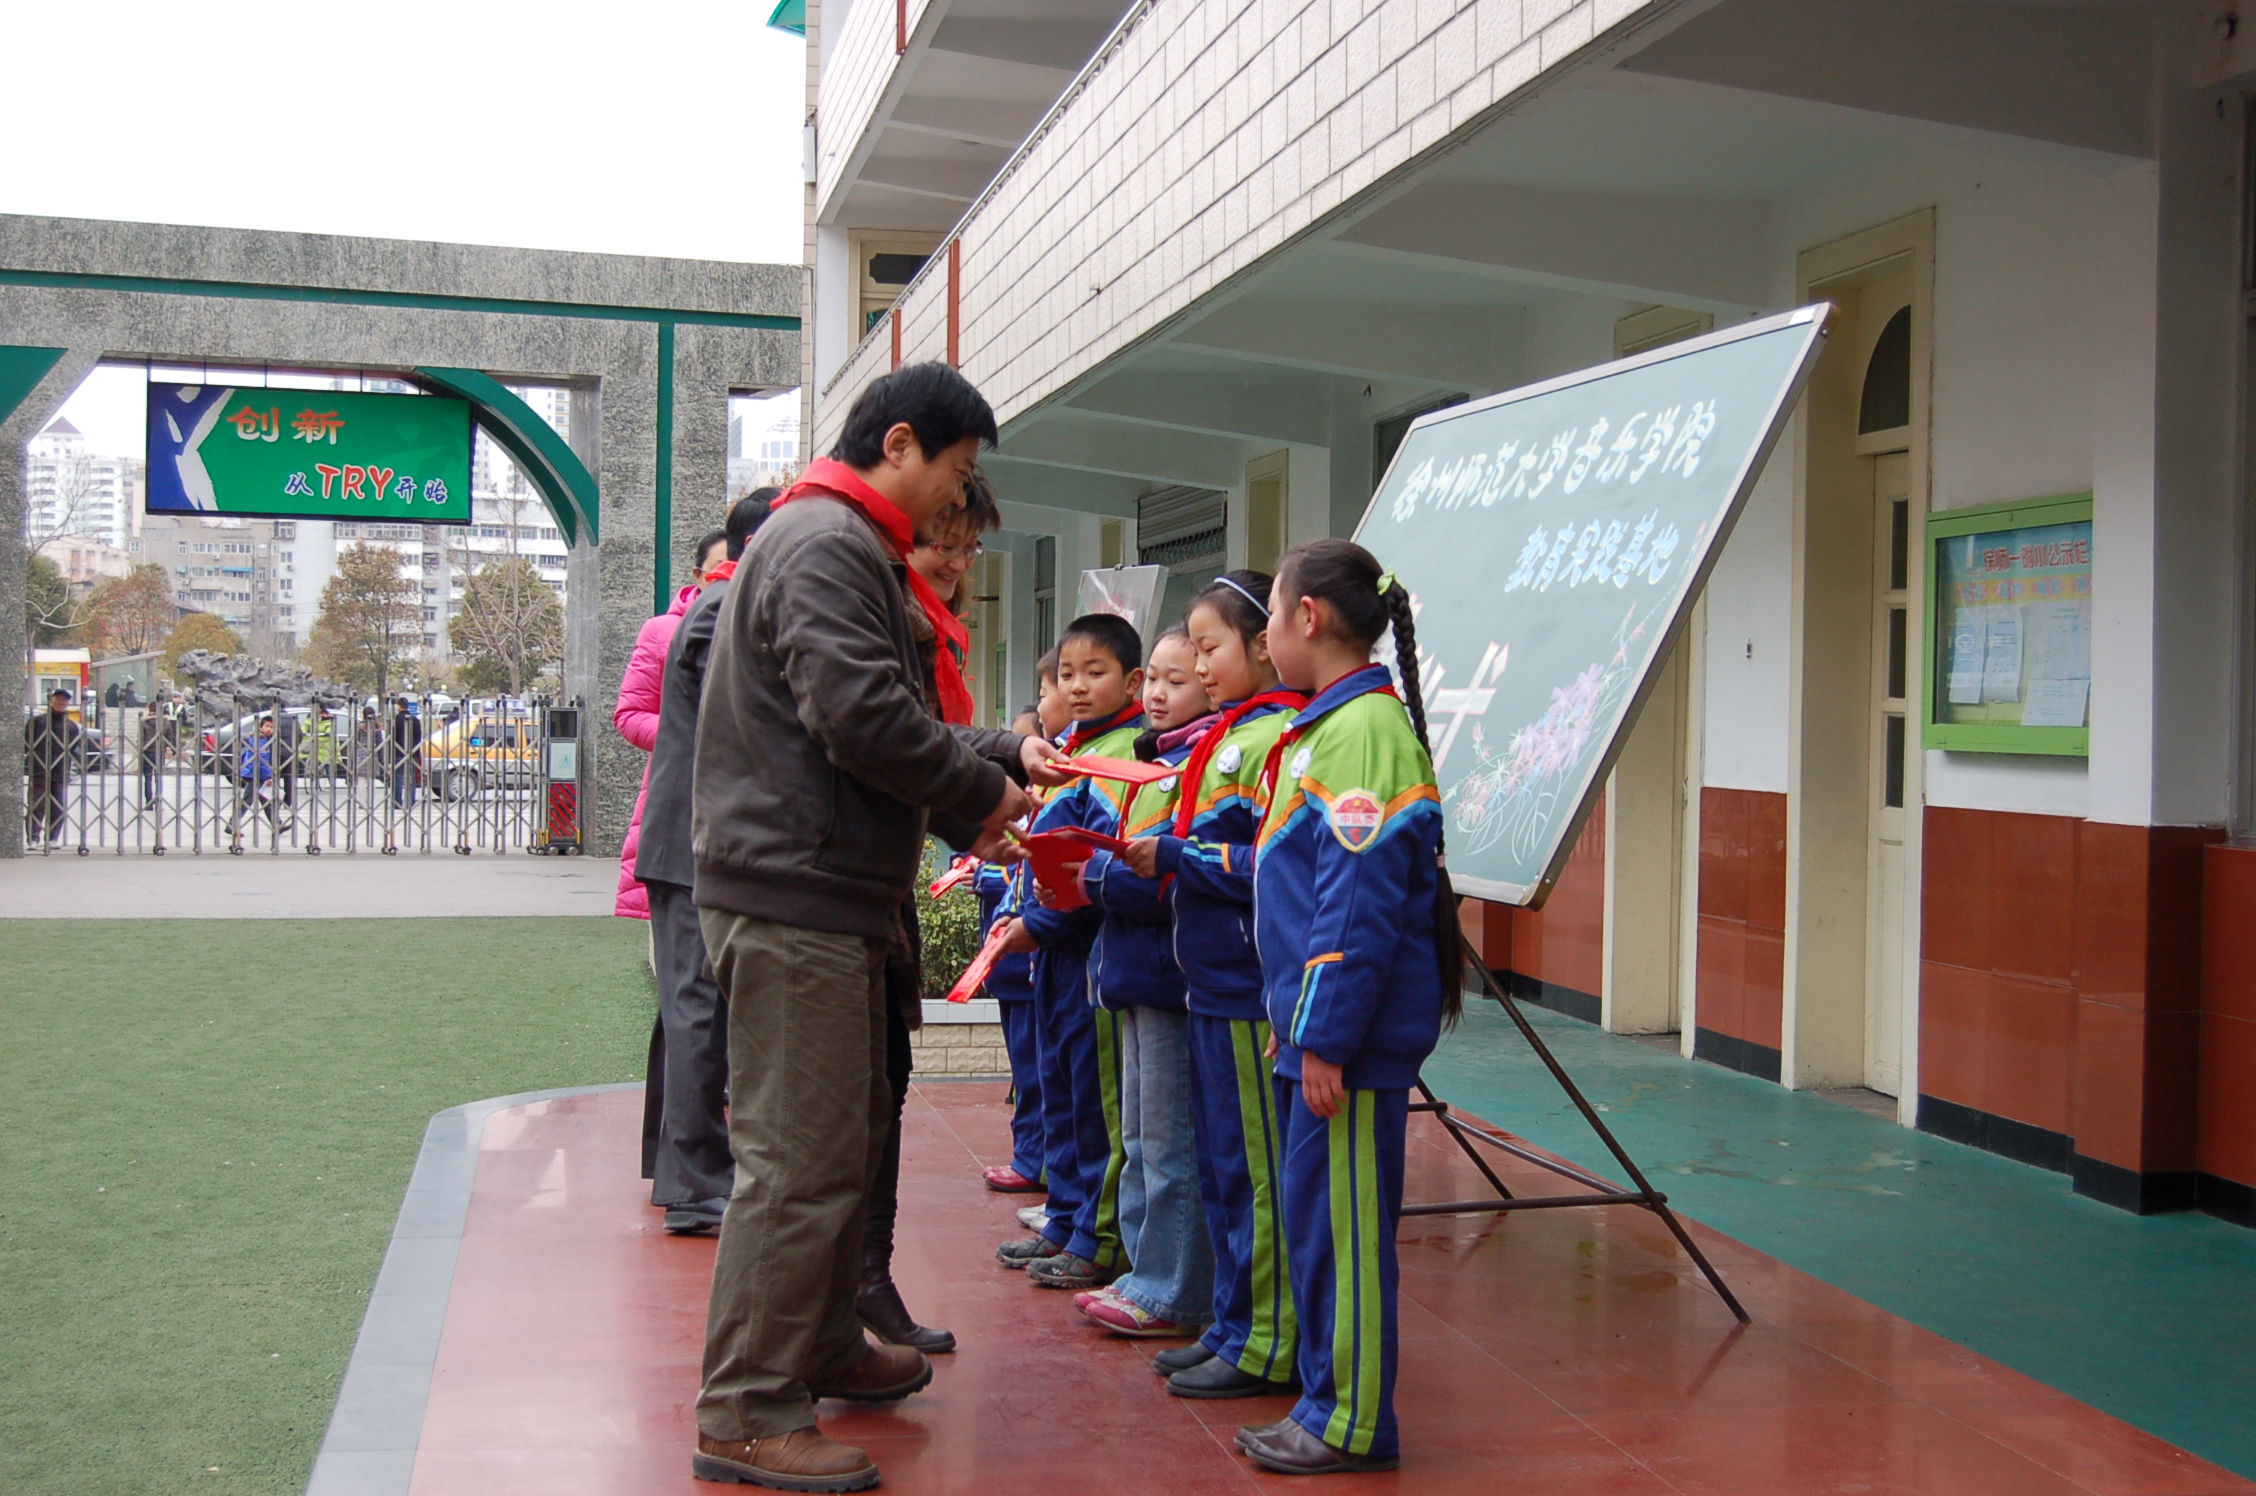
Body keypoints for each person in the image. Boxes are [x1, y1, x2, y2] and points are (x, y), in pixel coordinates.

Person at [689, 361, 1063, 1492]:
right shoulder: (826, 544)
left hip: (827, 889)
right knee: (799, 1163)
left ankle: (818, 1344)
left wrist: (986, 765)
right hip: (796, 893)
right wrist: (985, 795)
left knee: (839, 1149)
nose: (955, 504)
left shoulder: (838, 544)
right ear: (898, 444)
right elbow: (859, 714)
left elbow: (886, 715)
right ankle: (747, 1408)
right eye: (954, 474)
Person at [1237, 539, 1458, 1476]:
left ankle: (1353, 1421)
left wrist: (1323, 1037)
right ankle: (1326, 1400)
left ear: (1309, 619)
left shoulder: (1362, 734)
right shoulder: (1328, 728)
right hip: (1319, 1036)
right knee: (1319, 1224)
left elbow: (1354, 908)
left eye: (1270, 616)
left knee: (1349, 1234)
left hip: (1346, 1045)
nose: (1262, 638)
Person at [1121, 570, 1307, 1399]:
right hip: (1206, 980)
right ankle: (1233, 1321)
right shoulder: (1228, 733)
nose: (1196, 668)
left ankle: (1267, 1339)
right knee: (1225, 1167)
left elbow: (1271, 864)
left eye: (1209, 648)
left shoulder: (1271, 737)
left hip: (1242, 983)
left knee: (1257, 1172)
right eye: (1190, 650)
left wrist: (1174, 855)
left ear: (1265, 646)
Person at [850, 467, 1005, 1356]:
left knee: (883, 1095)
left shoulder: (921, 632)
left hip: (878, 893)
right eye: (941, 537)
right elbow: (895, 743)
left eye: (968, 543)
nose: (955, 560)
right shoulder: (868, 614)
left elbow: (923, 753)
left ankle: (865, 1283)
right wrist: (993, 791)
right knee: (838, 1125)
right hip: (829, 902)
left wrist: (976, 819)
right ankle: (828, 1316)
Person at [992, 612, 1147, 1293]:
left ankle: (1098, 1234)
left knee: (1095, 1098)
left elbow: (1097, 866)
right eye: (1065, 675)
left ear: (1131, 681)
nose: (1077, 687)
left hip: (1089, 954)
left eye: (1096, 673)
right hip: (1049, 954)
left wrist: (1042, 925)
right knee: (1055, 1084)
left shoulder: (1124, 757)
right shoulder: (1068, 751)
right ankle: (1063, 1214)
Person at [1075, 626, 1218, 1339]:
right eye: (1155, 680)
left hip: (1167, 976)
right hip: (1131, 971)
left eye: (1179, 680)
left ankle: (1173, 1288)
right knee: (1137, 1134)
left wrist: (1099, 876)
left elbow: (1165, 873)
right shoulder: (1151, 760)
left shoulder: (1201, 763)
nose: (1159, 694)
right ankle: (1141, 1267)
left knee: (1169, 1142)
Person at [638, 499, 776, 1238]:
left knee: (689, 1009)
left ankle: (679, 1170)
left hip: (689, 837)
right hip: (695, 840)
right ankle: (696, 1183)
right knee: (696, 1008)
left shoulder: (719, 602)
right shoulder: (727, 609)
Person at [975, 663, 1065, 1199]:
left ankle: (1040, 1164)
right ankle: (1034, 1158)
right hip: (1015, 953)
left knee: (1044, 1075)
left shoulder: (1074, 777)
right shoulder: (1032, 794)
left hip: (1044, 951)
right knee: (1030, 1069)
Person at [617, 527, 732, 926]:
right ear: (697, 575)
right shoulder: (662, 631)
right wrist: (693, 735)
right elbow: (629, 715)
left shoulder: (759, 623)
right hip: (680, 789)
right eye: (719, 569)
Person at [23, 688, 80, 848]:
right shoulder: (38, 721)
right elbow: (26, 743)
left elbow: (73, 746)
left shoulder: (71, 726)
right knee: (36, 805)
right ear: (51, 700)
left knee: (58, 806)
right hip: (39, 769)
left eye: (64, 701)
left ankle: (53, 837)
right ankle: (33, 838)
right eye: (58, 699)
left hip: (60, 771)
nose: (61, 703)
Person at [226, 716, 288, 849]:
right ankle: (232, 825)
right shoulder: (259, 741)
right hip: (255, 775)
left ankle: (277, 824)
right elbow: (262, 761)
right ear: (260, 727)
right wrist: (269, 776)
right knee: (247, 801)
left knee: (265, 800)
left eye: (271, 727)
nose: (269, 729)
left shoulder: (260, 739)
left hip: (254, 773)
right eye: (267, 726)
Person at [388, 697, 422, 810]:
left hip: (398, 753)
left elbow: (392, 738)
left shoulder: (395, 720)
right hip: (412, 753)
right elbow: (418, 739)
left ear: (399, 706)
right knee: (410, 778)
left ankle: (397, 802)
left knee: (397, 778)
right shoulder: (416, 721)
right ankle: (410, 801)